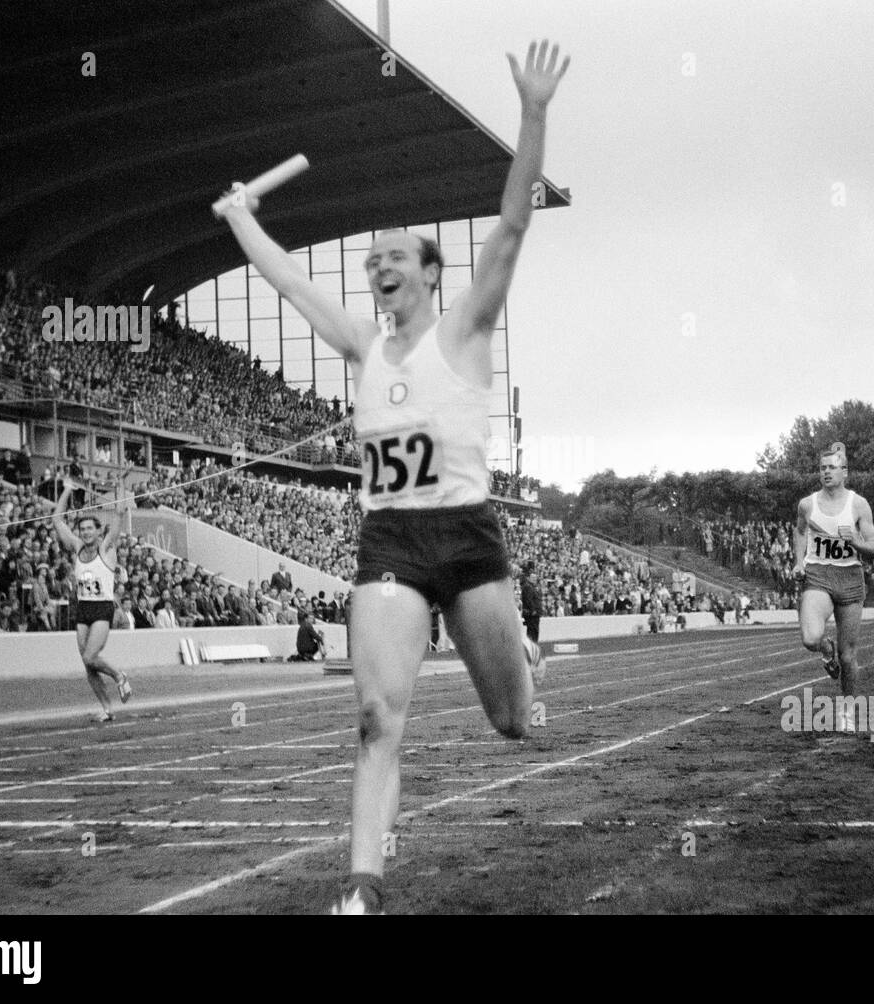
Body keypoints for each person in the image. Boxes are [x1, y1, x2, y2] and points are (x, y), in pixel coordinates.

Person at [217, 38, 566, 915]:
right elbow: (293, 284)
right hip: (391, 545)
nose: (378, 265)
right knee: (376, 716)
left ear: (430, 272)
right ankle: (363, 889)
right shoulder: (361, 344)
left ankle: (520, 663)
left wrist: (532, 112)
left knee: (512, 724)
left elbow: (515, 221)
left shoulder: (469, 329)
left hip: (469, 537)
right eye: (372, 257)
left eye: (395, 254)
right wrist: (241, 219)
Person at [793, 442, 874, 731]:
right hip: (818, 575)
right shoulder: (808, 504)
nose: (827, 472)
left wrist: (854, 540)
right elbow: (800, 532)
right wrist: (798, 562)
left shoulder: (858, 504)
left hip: (850, 580)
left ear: (845, 472)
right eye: (822, 468)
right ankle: (824, 649)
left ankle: (847, 711)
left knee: (848, 656)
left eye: (832, 467)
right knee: (810, 637)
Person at [52, 480, 132, 723]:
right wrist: (67, 488)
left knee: (90, 656)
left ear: (98, 531)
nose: (86, 532)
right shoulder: (76, 547)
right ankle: (107, 710)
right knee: (88, 667)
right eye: (82, 529)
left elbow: (119, 514)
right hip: (83, 607)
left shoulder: (106, 549)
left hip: (102, 608)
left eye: (90, 529)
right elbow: (57, 519)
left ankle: (119, 676)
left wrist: (120, 489)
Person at [520, 561, 542, 643]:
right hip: (532, 615)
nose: (535, 579)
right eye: (533, 578)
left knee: (534, 633)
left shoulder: (531, 587)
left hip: (534, 615)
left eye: (535, 578)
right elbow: (528, 600)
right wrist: (533, 611)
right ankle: (531, 652)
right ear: (528, 578)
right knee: (532, 634)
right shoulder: (528, 587)